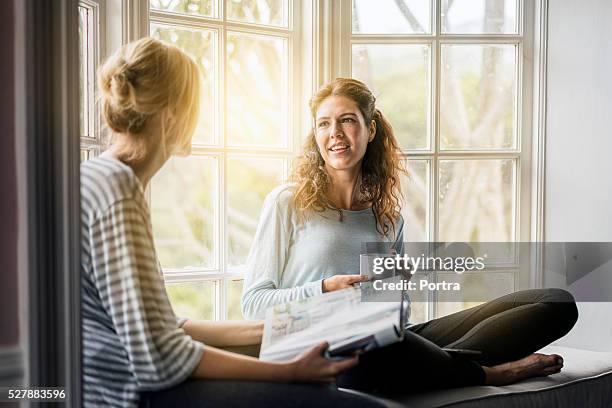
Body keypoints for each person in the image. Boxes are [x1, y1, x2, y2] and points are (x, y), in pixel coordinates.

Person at [81, 38, 380, 408]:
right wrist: (290, 373)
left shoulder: (102, 178)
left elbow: (168, 327)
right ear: (174, 115)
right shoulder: (118, 191)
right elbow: (160, 358)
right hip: (127, 395)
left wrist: (292, 324)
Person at [241, 77, 579, 393]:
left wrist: (397, 293)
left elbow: (396, 314)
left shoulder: (388, 218)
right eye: (324, 124)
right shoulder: (288, 202)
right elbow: (254, 305)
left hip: (387, 340)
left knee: (556, 303)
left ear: (369, 129)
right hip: (321, 349)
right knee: (380, 345)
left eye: (347, 120)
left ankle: (438, 365)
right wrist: (325, 289)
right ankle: (491, 373)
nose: (335, 134)